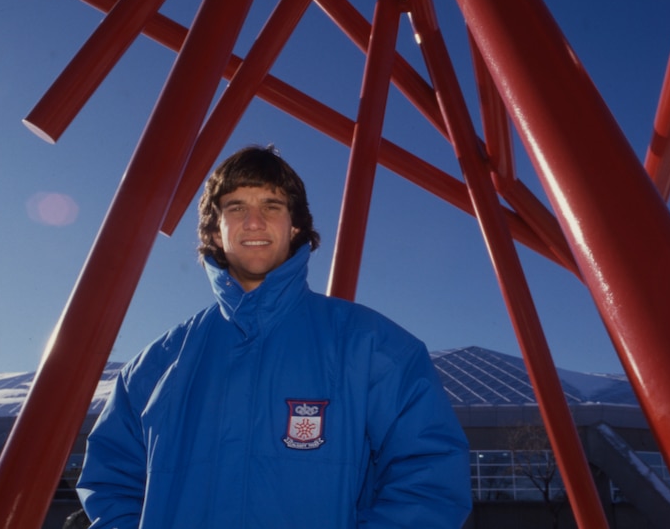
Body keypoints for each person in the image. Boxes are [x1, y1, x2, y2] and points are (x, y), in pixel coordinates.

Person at [77, 145, 471, 528]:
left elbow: (430, 479)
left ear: (294, 226)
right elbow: (110, 484)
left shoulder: (374, 348)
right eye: (236, 208)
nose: (254, 221)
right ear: (216, 232)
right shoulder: (153, 369)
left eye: (271, 206)